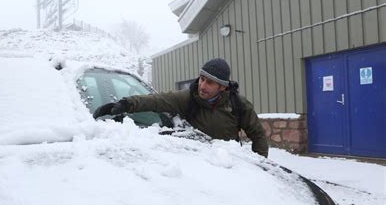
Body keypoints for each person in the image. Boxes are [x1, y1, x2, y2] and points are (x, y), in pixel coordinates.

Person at [93, 58, 269, 157]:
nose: (202, 85)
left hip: (228, 163)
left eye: (209, 82)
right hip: (196, 162)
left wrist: (259, 165)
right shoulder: (189, 97)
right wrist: (126, 104)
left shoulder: (239, 105)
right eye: (202, 79)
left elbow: (258, 135)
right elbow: (157, 100)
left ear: (222, 87)